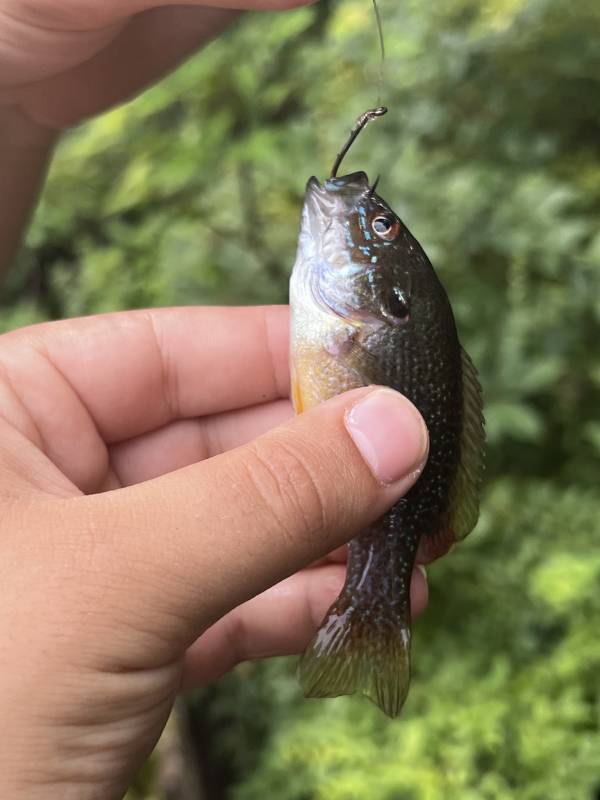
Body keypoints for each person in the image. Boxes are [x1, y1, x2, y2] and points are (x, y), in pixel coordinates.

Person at [0, 3, 430, 798]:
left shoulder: (358, 323)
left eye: (379, 238)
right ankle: (373, 617)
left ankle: (374, 617)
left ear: (387, 307)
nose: (361, 219)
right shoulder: (343, 318)